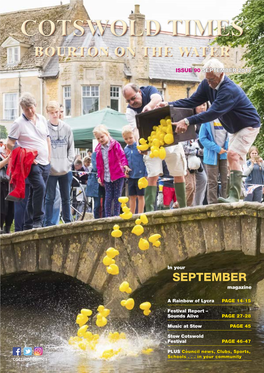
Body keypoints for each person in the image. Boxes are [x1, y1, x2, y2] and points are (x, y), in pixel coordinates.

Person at [158, 58, 261, 203]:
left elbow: (212, 113)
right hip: (235, 128)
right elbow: (191, 101)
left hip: (248, 125)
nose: (209, 83)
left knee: (232, 154)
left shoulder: (228, 90)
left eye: (212, 80)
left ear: (221, 75)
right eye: (207, 79)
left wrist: (187, 121)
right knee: (234, 160)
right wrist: (169, 104)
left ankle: (234, 196)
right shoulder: (207, 84)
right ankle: (239, 193)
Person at [123, 83, 187, 210]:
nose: (132, 102)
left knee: (178, 172)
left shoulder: (148, 90)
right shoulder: (130, 111)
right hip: (151, 145)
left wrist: (149, 106)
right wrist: (139, 144)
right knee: (152, 175)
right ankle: (150, 212)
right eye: (128, 100)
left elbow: (157, 98)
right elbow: (136, 129)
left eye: (133, 98)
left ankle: (183, 208)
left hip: (170, 140)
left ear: (139, 93)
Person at [7, 93, 51, 229]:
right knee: (40, 187)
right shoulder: (18, 123)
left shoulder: (42, 119)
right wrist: (25, 156)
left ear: (35, 106)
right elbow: (9, 143)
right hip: (30, 163)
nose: (30, 111)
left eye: (31, 108)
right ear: (22, 109)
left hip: (45, 162)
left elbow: (47, 138)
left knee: (35, 193)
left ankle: (28, 223)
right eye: (26, 109)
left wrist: (49, 156)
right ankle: (38, 220)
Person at [44, 101, 75, 226]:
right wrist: (48, 164)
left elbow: (71, 147)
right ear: (48, 113)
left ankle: (68, 222)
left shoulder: (67, 128)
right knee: (49, 198)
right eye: (52, 113)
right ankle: (48, 223)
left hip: (65, 170)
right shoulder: (44, 128)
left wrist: (68, 164)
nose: (55, 115)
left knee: (66, 198)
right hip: (51, 170)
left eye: (56, 112)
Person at [93, 124, 130, 217]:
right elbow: (99, 165)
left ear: (107, 134)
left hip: (117, 174)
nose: (101, 139)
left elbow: (121, 155)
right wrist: (99, 177)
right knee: (108, 196)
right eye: (98, 138)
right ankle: (108, 216)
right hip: (106, 177)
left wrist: (125, 165)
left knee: (117, 196)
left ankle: (116, 215)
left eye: (102, 137)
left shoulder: (115, 144)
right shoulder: (98, 149)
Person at [199, 107, 229, 204]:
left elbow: (231, 135)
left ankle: (225, 203)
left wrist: (227, 148)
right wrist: (217, 149)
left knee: (226, 181)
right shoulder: (207, 120)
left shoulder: (228, 119)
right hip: (211, 156)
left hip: (225, 155)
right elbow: (202, 138)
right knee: (212, 182)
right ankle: (212, 205)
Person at [122, 125, 147, 214]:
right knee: (132, 196)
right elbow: (124, 161)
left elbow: (145, 160)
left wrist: (145, 173)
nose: (128, 140)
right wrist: (125, 170)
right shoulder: (125, 149)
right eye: (126, 139)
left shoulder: (139, 147)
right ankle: (132, 214)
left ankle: (140, 213)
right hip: (131, 176)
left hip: (140, 175)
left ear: (134, 136)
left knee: (140, 196)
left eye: (130, 138)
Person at [0, 147, 14, 233]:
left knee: (10, 209)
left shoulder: (6, 151)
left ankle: (7, 228)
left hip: (10, 184)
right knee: (2, 208)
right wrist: (7, 159)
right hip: (2, 184)